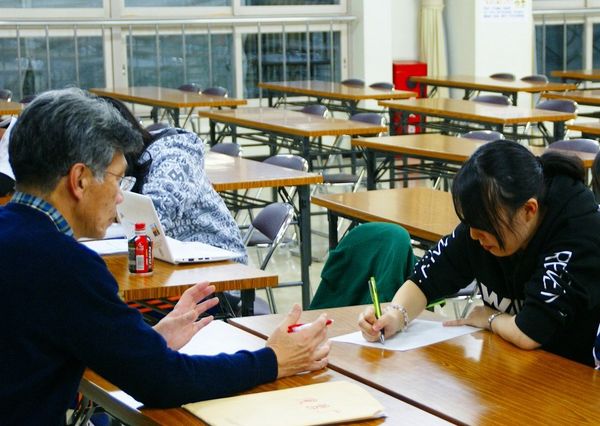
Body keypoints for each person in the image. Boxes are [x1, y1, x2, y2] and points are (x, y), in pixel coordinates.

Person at [0, 88, 330, 424]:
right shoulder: (66, 265)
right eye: (117, 179)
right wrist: (273, 359)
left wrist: (148, 343)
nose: (119, 197)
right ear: (80, 180)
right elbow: (164, 383)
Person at [358, 140, 600, 367]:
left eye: (483, 226)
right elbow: (425, 279)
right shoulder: (487, 225)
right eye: (470, 224)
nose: (473, 235)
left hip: (571, 377)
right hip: (508, 365)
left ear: (528, 210)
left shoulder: (578, 232)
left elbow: (529, 332)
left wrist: (489, 318)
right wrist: (395, 315)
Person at [102, 97, 248, 264]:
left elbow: (153, 220)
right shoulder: (130, 160)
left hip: (220, 264)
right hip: (166, 258)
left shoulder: (173, 158)